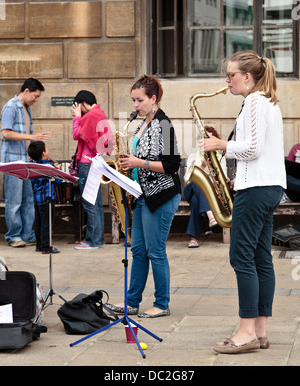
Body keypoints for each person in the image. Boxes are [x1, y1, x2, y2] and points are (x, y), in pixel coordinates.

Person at [200, 50, 286, 354]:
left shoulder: (253, 101)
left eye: (231, 75)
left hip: (257, 188)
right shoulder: (268, 101)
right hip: (269, 186)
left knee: (241, 257)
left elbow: (253, 148)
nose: (227, 80)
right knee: (261, 257)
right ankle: (260, 330)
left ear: (247, 77)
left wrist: (220, 144)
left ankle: (246, 331)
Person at [105, 75, 181, 318]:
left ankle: (162, 304)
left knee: (155, 251)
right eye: (133, 100)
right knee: (138, 250)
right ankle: (132, 301)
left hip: (161, 195)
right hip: (142, 195)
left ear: (153, 99)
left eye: (140, 100)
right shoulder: (141, 124)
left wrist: (139, 162)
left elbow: (172, 165)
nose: (135, 105)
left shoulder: (164, 124)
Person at [1, 78, 50, 248]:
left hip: (26, 161)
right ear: (27, 91)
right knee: (14, 201)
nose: (36, 100)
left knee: (29, 200)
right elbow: (6, 133)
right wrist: (32, 137)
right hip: (13, 162)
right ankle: (13, 236)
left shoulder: (26, 108)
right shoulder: (10, 106)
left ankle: (28, 235)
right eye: (35, 96)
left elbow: (28, 136)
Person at [71, 90, 114, 250]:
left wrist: (76, 117)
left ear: (82, 103)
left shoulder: (90, 116)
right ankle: (96, 239)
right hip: (96, 162)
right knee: (95, 202)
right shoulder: (100, 114)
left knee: (89, 202)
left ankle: (93, 241)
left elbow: (76, 134)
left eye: (77, 106)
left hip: (87, 163)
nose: (77, 110)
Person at [184, 126, 219, 248]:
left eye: (209, 139)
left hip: (211, 194)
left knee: (195, 201)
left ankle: (194, 238)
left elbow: (222, 181)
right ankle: (210, 214)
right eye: (204, 140)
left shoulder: (219, 157)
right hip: (191, 188)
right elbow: (187, 180)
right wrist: (202, 169)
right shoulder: (193, 157)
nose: (206, 143)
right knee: (197, 182)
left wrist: (212, 172)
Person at [28, 141, 61, 254]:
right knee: (47, 223)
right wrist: (57, 167)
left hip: (37, 200)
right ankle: (46, 246)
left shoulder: (32, 166)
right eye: (46, 149)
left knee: (38, 223)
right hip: (48, 200)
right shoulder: (49, 167)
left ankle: (39, 245)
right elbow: (58, 180)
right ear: (43, 153)